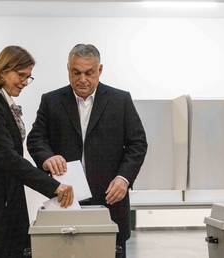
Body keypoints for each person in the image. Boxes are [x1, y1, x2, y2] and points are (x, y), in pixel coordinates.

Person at [27, 44, 148, 258]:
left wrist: (123, 178)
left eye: (89, 72)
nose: (82, 79)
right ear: (68, 69)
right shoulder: (51, 101)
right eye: (76, 72)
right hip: (65, 201)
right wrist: (47, 157)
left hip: (110, 200)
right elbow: (36, 138)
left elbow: (137, 144)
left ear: (100, 70)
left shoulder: (121, 100)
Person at [0, 46, 74, 258]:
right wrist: (54, 186)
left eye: (28, 77)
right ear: (3, 71)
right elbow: (8, 158)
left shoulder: (1, 104)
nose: (25, 82)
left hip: (3, 202)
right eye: (20, 75)